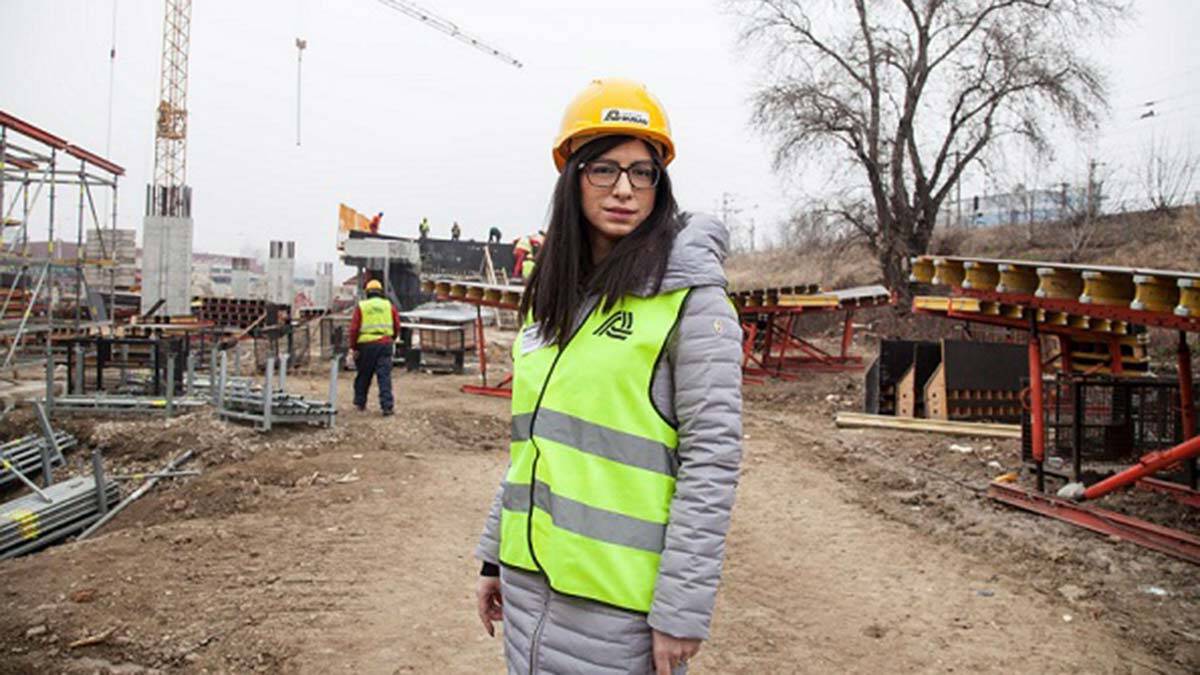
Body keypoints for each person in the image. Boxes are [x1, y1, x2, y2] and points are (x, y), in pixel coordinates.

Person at [473, 78, 743, 675]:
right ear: (572, 178)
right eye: (604, 170)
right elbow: (531, 445)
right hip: (527, 595)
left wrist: (681, 610)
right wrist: (495, 558)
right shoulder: (553, 302)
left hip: (619, 609)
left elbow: (712, 462)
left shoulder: (692, 305)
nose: (625, 188)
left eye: (642, 172)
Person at [348, 278, 401, 416]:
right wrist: (391, 338)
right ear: (381, 292)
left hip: (366, 345)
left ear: (367, 292)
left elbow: (354, 328)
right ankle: (387, 407)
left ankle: (360, 402)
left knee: (364, 375)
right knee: (384, 377)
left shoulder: (362, 306)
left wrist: (354, 347)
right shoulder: (388, 306)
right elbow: (396, 325)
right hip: (385, 344)